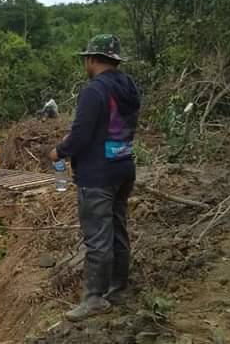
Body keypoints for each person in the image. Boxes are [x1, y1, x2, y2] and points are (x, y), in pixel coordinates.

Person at [49, 34, 141, 322]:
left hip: (98, 175)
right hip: (124, 167)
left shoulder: (93, 90)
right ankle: (118, 288)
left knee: (98, 237)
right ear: (115, 60)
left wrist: (59, 151)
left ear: (92, 59)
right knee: (117, 228)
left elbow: (81, 135)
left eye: (85, 59)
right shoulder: (128, 86)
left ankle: (94, 298)